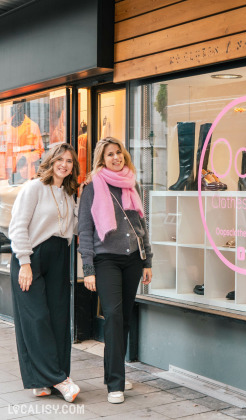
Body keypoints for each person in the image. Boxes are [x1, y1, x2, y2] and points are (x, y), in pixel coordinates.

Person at [78, 137, 152, 404]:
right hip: (105, 260)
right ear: (102, 158)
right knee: (113, 315)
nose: (116, 158)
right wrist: (88, 268)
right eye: (110, 154)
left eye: (119, 153)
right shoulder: (92, 187)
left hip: (132, 259)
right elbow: (84, 231)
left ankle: (115, 372)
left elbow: (141, 226)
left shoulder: (132, 183)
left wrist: (147, 261)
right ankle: (115, 384)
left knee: (124, 319)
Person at [9, 143, 81, 403]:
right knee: (36, 319)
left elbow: (74, 229)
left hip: (59, 256)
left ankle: (43, 380)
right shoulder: (33, 188)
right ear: (50, 161)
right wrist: (25, 262)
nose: (64, 164)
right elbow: (17, 227)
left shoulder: (68, 193)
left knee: (58, 318)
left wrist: (81, 198)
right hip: (31, 258)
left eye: (69, 161)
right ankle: (59, 379)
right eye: (59, 159)